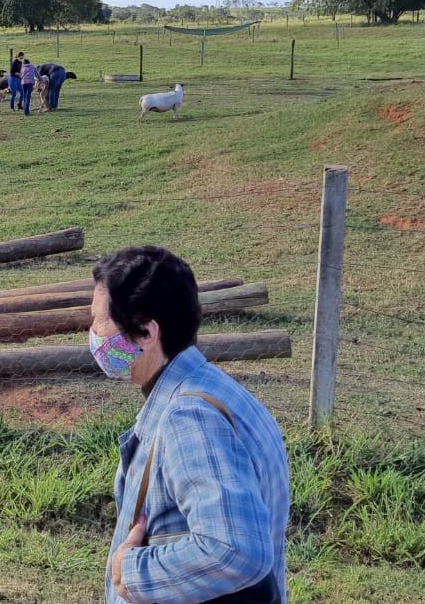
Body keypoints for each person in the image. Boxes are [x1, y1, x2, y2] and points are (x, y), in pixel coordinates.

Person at [93, 246, 289, 604]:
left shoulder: (189, 418)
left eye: (100, 321)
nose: (94, 334)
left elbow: (236, 550)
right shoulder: (223, 392)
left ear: (147, 334)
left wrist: (133, 572)